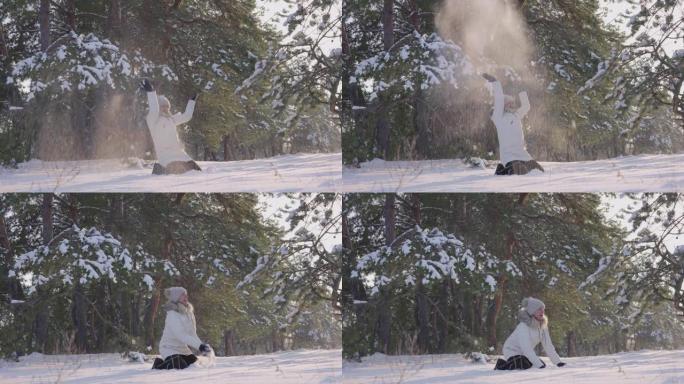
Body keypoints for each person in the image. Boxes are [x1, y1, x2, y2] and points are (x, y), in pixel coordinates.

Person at [482, 73, 544, 176]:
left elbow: (526, 106)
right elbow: (499, 99)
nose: (512, 104)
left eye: (513, 103)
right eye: (509, 103)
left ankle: (502, 169)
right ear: (503, 106)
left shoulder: (516, 115)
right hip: (509, 156)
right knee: (519, 172)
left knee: (538, 171)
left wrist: (522, 90)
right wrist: (495, 82)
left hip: (523, 154)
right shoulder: (499, 117)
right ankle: (503, 168)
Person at [140, 79, 202, 175]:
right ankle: (159, 171)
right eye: (163, 106)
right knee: (174, 173)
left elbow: (186, 116)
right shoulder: (153, 120)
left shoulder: (172, 120)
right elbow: (154, 109)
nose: (165, 109)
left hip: (179, 153)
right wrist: (151, 92)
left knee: (196, 171)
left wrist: (192, 100)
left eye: (167, 107)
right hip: (165, 156)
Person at [494, 297, 566, 370]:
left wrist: (558, 362)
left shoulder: (543, 326)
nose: (542, 311)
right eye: (539, 309)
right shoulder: (523, 326)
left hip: (524, 354)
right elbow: (526, 348)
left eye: (543, 309)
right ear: (532, 311)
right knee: (526, 364)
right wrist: (539, 365)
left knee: (540, 364)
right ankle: (501, 364)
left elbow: (548, 345)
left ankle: (524, 361)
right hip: (511, 351)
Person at [152, 287, 212, 370]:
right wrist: (199, 346)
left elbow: (192, 334)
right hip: (169, 347)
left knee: (194, 364)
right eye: (182, 295)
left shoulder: (189, 313)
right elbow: (181, 335)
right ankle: (158, 365)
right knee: (179, 365)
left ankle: (173, 361)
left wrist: (201, 346)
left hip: (182, 348)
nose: (186, 297)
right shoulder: (172, 314)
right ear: (176, 298)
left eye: (186, 295)